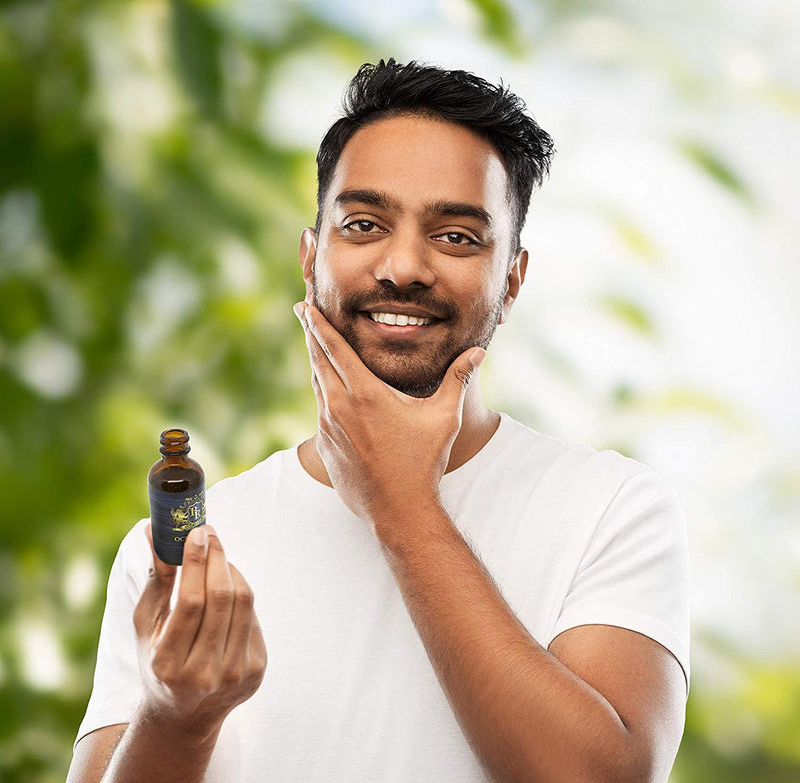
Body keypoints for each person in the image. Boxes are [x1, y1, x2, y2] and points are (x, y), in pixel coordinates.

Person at [67, 58, 690, 783]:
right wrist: (177, 716)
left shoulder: (612, 507)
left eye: (457, 236)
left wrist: (401, 502)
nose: (403, 266)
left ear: (512, 279)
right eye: (363, 224)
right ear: (310, 256)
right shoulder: (189, 549)